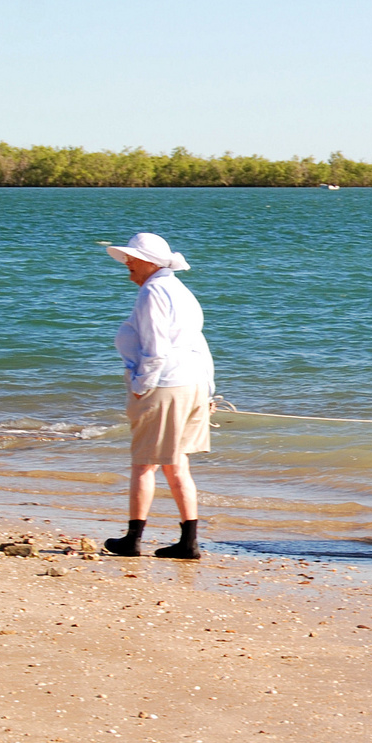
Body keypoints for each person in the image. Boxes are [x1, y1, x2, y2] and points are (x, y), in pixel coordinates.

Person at [102, 233, 216, 560]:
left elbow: (155, 348)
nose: (127, 268)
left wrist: (141, 386)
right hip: (192, 381)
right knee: (177, 464)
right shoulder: (180, 290)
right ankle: (188, 542)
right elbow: (198, 343)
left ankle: (132, 540)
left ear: (149, 262)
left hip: (165, 385)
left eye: (131, 261)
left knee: (144, 465)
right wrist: (207, 387)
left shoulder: (153, 291)